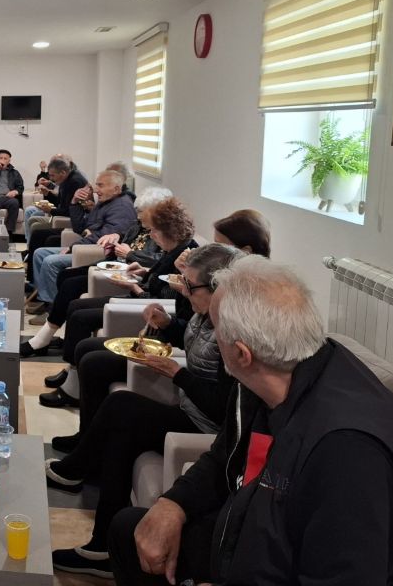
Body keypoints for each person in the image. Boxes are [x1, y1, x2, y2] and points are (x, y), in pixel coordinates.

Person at [110, 257, 393, 585]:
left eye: (215, 330)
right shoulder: (266, 378)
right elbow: (224, 457)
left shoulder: (348, 451)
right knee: (128, 531)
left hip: (290, 561)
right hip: (258, 530)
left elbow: (340, 575)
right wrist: (173, 503)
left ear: (241, 353)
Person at [45, 244, 240, 579]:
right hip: (189, 409)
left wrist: (177, 374)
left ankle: (79, 473)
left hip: (203, 425)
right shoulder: (205, 314)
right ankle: (100, 539)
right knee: (123, 418)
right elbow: (188, 338)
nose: (183, 289)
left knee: (123, 409)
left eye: (189, 285)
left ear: (217, 289)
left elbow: (223, 407)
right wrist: (167, 323)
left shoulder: (231, 333)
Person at [32, 198, 197, 406]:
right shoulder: (173, 250)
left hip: (144, 305)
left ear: (169, 231)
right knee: (75, 306)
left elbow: (165, 298)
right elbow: (159, 278)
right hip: (140, 296)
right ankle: (72, 372)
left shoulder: (184, 257)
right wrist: (144, 272)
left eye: (154, 231)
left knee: (81, 317)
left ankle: (73, 383)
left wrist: (135, 288)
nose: (151, 235)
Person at [21, 185, 172, 359]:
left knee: (71, 284)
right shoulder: (139, 225)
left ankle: (45, 337)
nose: (138, 215)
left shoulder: (162, 233)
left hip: (129, 274)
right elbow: (111, 231)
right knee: (66, 275)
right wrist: (117, 236)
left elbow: (159, 261)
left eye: (142, 212)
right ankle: (55, 330)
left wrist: (130, 254)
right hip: (116, 265)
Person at [27, 170, 137, 323]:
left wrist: (74, 246)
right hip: (85, 245)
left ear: (116, 189)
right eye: (96, 185)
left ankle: (52, 308)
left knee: (50, 261)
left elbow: (103, 238)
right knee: (40, 253)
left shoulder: (122, 207)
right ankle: (45, 299)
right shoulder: (105, 201)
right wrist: (75, 202)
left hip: (96, 252)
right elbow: (80, 227)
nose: (96, 190)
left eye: (100, 185)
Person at [23, 156, 89, 277]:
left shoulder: (75, 182)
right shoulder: (67, 180)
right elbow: (60, 202)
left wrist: (51, 210)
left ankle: (32, 274)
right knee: (35, 225)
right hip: (64, 218)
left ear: (63, 172)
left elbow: (68, 210)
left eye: (53, 176)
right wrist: (48, 194)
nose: (51, 179)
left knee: (38, 232)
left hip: (70, 222)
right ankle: (31, 265)